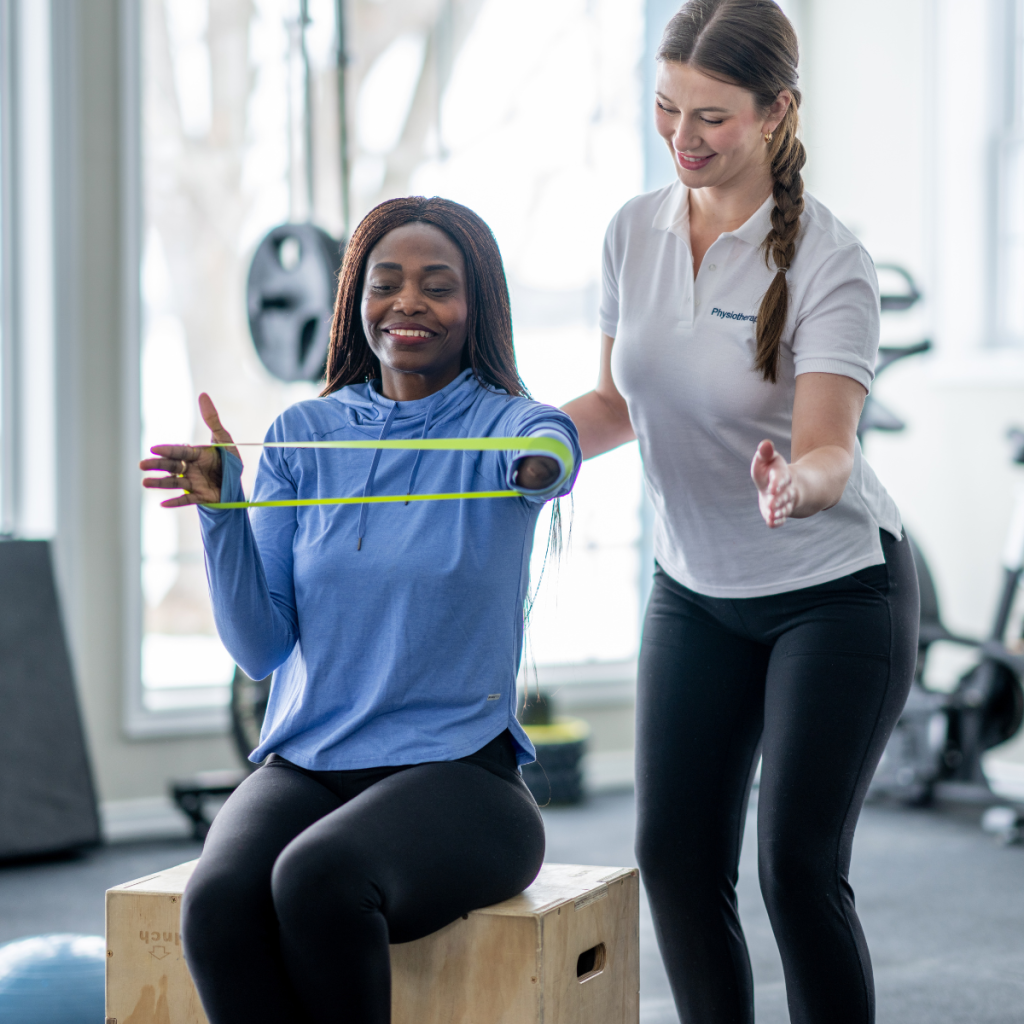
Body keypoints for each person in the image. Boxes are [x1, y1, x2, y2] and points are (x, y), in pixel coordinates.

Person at [140, 196, 580, 1024]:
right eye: (388, 283)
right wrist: (221, 513)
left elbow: (554, 446)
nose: (408, 302)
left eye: (437, 286)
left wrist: (536, 465)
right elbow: (261, 648)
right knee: (218, 902)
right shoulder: (304, 434)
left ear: (477, 305)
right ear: (357, 302)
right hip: (308, 765)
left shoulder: (504, 425)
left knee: (318, 879)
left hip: (462, 778)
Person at [561, 2, 918, 1022]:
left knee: (797, 870)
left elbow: (827, 447)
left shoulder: (825, 261)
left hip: (834, 594)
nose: (682, 137)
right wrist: (533, 443)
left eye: (710, 117)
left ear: (775, 113)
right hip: (696, 589)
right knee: (671, 858)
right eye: (666, 108)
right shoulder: (631, 231)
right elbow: (614, 405)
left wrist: (793, 482)